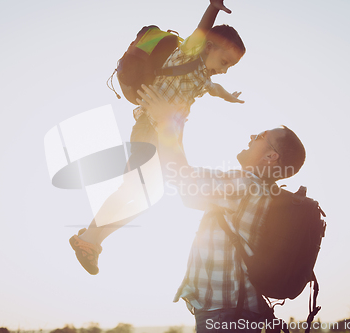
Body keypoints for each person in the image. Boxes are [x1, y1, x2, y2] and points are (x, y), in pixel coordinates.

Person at [70, 0, 246, 275]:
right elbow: (201, 31)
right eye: (224, 61)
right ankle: (90, 237)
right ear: (208, 47)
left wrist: (228, 97)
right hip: (150, 128)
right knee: (132, 190)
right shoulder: (188, 54)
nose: (224, 69)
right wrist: (213, 8)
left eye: (229, 67)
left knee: (147, 197)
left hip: (167, 135)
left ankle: (92, 239)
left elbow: (214, 87)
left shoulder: (201, 76)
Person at [136, 85, 306, 332]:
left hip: (227, 315)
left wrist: (167, 121)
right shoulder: (257, 191)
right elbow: (188, 191)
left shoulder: (246, 186)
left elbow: (181, 177)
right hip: (238, 313)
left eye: (259, 137)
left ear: (271, 156)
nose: (251, 137)